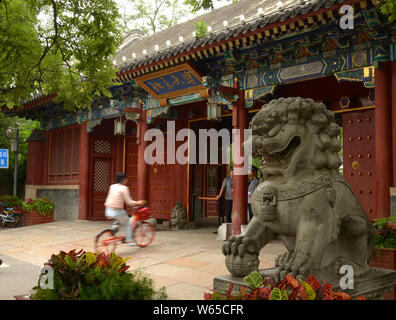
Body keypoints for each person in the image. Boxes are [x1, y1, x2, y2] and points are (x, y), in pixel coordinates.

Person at [104, 172, 146, 246]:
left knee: (123, 214)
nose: (127, 181)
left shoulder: (112, 186)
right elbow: (129, 202)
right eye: (126, 179)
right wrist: (138, 202)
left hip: (107, 210)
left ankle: (115, 227)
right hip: (116, 211)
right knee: (127, 224)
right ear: (124, 180)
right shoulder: (124, 188)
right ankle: (128, 240)